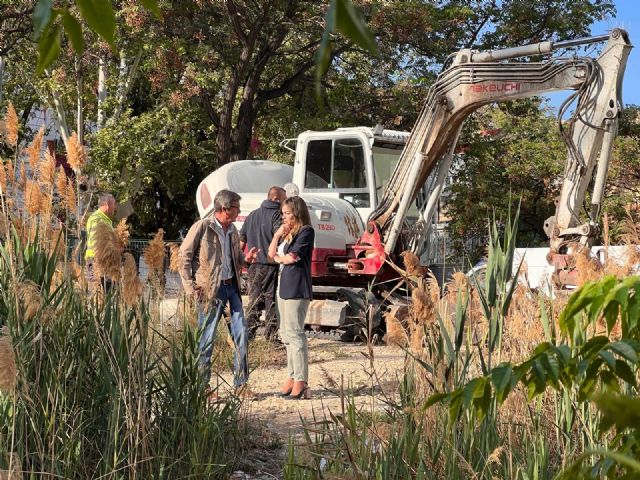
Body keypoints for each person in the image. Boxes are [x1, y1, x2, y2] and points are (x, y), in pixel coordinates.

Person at [179, 189, 259, 396]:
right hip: (209, 292)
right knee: (206, 338)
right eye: (236, 208)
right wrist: (190, 288)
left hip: (231, 288)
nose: (239, 211)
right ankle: (202, 388)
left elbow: (236, 257)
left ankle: (241, 385)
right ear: (224, 208)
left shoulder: (232, 229)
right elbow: (184, 257)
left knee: (241, 334)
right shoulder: (202, 227)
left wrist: (246, 260)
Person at [268, 196, 315, 400]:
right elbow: (271, 254)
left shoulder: (306, 231)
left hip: (297, 287)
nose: (284, 217)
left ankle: (301, 380)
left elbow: (292, 258)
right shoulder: (287, 235)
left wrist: (280, 258)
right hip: (284, 286)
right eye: (283, 213)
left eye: (287, 213)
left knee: (295, 333)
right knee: (286, 334)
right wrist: (277, 235)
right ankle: (292, 374)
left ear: (297, 212)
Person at [239, 186, 287, 342]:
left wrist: (239, 262)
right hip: (270, 264)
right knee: (270, 301)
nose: (285, 204)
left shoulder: (252, 215)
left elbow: (241, 241)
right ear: (276, 199)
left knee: (253, 300)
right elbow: (280, 237)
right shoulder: (276, 215)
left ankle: (248, 336)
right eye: (284, 200)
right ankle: (271, 337)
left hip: (253, 265)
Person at [85, 193, 118, 291]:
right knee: (96, 293)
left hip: (104, 260)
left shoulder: (105, 219)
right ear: (106, 204)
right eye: (114, 204)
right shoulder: (96, 218)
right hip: (96, 260)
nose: (115, 207)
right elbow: (97, 242)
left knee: (107, 292)